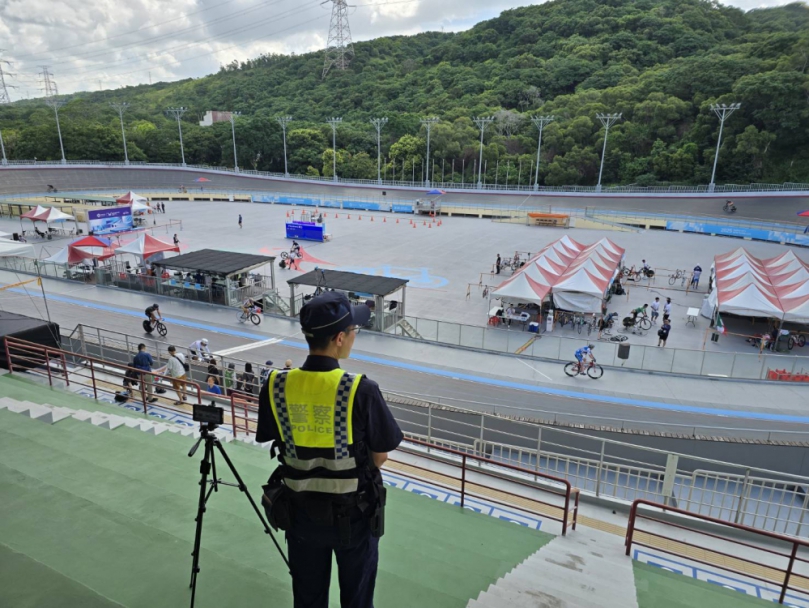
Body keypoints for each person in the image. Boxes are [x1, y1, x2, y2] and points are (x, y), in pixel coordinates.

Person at [256, 291, 403, 608]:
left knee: (308, 599)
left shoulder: (275, 385)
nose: (354, 336)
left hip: (299, 516)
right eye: (354, 331)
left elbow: (275, 440)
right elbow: (380, 455)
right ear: (339, 338)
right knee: (357, 599)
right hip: (355, 517)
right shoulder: (361, 389)